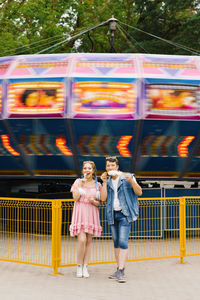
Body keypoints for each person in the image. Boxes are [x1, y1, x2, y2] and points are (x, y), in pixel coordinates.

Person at [100, 156, 142, 283]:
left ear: (117, 167)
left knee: (123, 242)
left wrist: (132, 182)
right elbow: (103, 198)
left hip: (125, 214)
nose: (110, 168)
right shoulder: (106, 180)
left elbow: (139, 192)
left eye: (112, 166)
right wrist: (104, 182)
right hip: (113, 214)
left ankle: (121, 270)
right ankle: (118, 269)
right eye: (108, 166)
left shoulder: (127, 177)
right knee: (116, 243)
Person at [70, 161, 102, 278]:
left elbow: (99, 202)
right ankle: (79, 266)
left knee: (88, 241)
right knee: (82, 239)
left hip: (92, 212)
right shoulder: (78, 182)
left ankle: (85, 267)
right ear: (82, 170)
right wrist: (80, 185)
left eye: (89, 168)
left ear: (93, 171)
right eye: (85, 168)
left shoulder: (98, 185)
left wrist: (93, 201)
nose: (87, 170)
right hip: (80, 212)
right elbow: (75, 197)